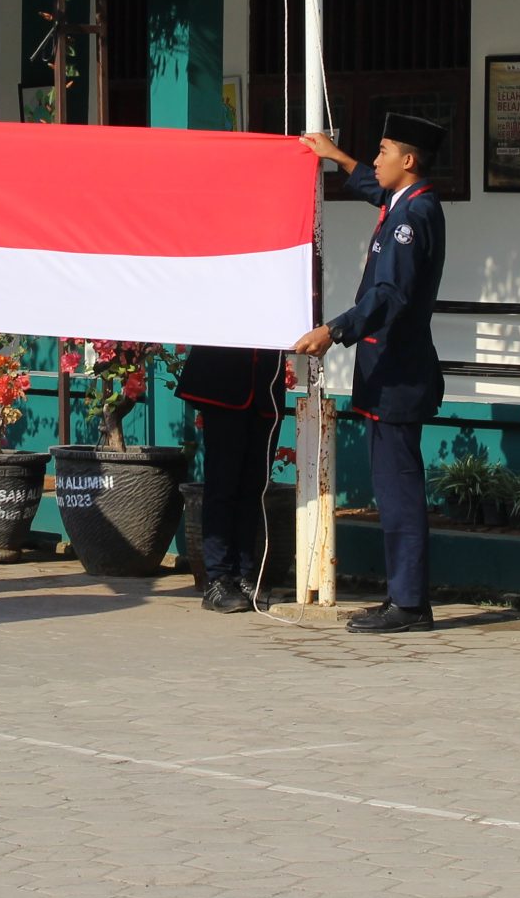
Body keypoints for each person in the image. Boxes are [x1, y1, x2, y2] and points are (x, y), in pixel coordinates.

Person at [293, 113, 449, 634]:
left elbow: (390, 296)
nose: (374, 159)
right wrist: (338, 159)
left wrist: (334, 331)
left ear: (408, 161)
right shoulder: (403, 201)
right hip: (389, 373)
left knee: (399, 492)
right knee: (392, 489)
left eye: (382, 151)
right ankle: (401, 596)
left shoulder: (413, 216)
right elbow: (372, 187)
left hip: (399, 376)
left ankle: (409, 604)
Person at [177, 346, 286, 614]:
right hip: (224, 381)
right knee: (223, 485)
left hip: (264, 386)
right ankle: (217, 577)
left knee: (254, 487)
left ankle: (244, 575)